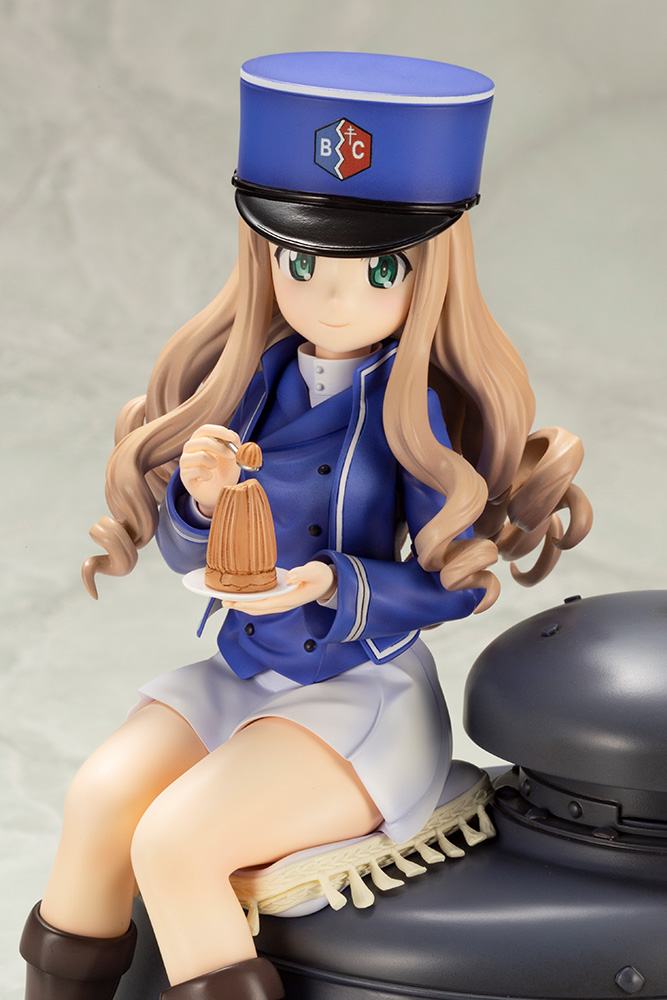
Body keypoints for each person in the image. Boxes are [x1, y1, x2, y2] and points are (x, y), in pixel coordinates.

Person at [20, 53, 592, 1000]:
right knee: (99, 800)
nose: (332, 297)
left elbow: (453, 584)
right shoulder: (247, 386)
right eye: (300, 261)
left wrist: (339, 583)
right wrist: (202, 499)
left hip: (355, 689)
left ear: (428, 272)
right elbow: (187, 550)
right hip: (244, 670)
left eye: (378, 269)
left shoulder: (412, 415)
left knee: (176, 843)